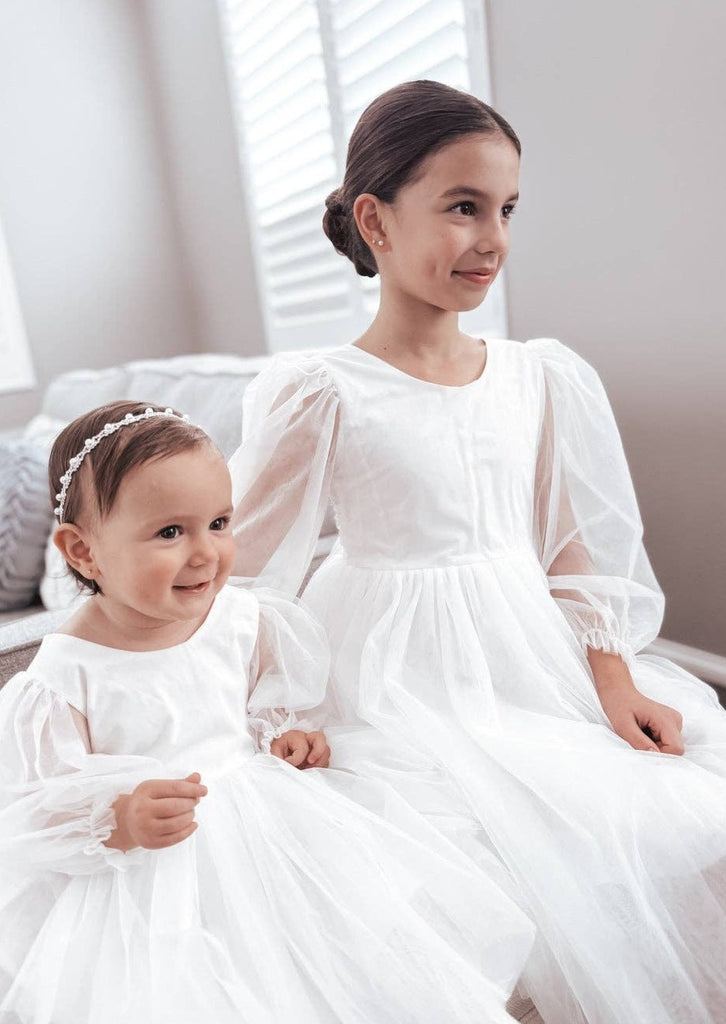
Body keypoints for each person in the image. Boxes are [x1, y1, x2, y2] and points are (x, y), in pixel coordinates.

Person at [228, 80, 726, 1024]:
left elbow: (573, 548)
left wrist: (614, 683)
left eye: (506, 210)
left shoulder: (540, 376)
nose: (492, 238)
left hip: (527, 657)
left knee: (667, 808)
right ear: (374, 221)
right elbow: (252, 572)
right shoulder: (319, 390)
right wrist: (275, 708)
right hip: (391, 671)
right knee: (438, 871)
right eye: (463, 208)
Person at [0, 400, 536, 1024]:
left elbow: (261, 710)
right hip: (158, 872)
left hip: (274, 830)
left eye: (219, 523)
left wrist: (287, 736)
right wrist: (116, 816)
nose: (205, 553)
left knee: (350, 952)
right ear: (83, 552)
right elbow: (34, 813)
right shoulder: (65, 676)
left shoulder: (241, 619)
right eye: (170, 532)